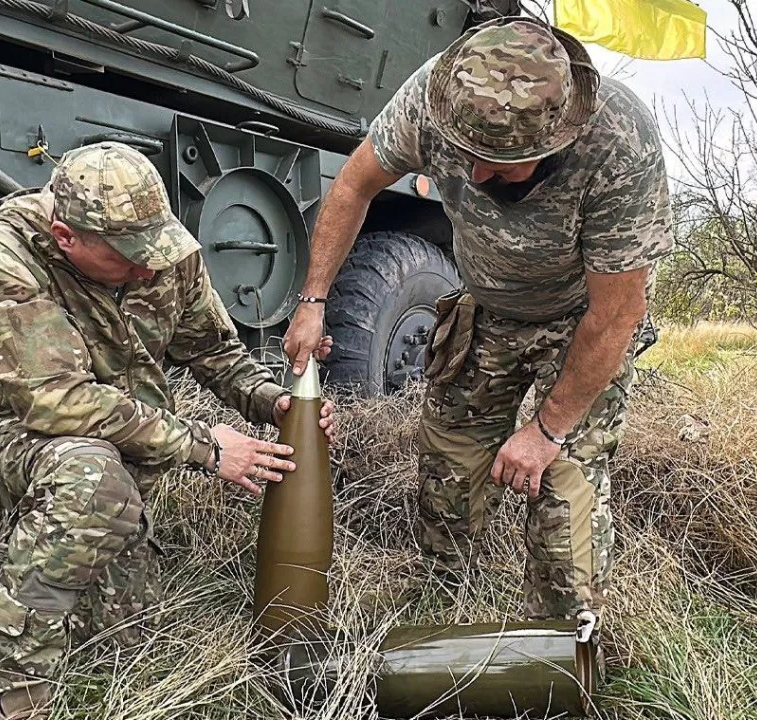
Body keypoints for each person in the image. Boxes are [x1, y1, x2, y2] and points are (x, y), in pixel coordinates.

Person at [282, 16, 672, 621]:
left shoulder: (619, 144)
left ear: (555, 143)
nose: (477, 177)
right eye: (469, 158)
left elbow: (617, 314)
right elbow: (355, 184)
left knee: (564, 485)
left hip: (581, 323)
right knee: (447, 462)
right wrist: (313, 301)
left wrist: (544, 432)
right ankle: (442, 604)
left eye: (503, 165)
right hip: (487, 309)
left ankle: (564, 647)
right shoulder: (436, 99)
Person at [0, 142, 336, 719]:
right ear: (67, 237)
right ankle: (8, 690)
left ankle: (5, 571)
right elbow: (57, 402)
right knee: (92, 481)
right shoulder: (2, 263)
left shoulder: (162, 255)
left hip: (116, 443)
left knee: (127, 641)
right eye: (128, 257)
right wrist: (204, 446)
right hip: (4, 429)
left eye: (155, 248)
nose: (149, 268)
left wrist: (272, 402)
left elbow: (216, 351)